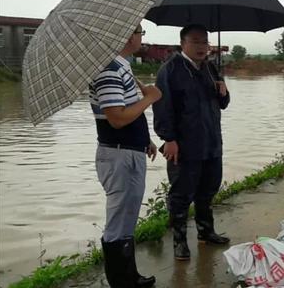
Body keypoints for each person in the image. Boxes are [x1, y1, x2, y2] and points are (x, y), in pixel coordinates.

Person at [89, 25, 160, 287]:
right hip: (119, 156)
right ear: (127, 34)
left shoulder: (122, 66)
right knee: (119, 220)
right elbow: (117, 118)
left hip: (129, 151)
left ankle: (129, 277)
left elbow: (128, 110)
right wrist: (150, 98)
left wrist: (146, 139)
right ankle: (122, 281)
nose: (142, 37)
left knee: (127, 216)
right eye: (140, 31)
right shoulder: (108, 70)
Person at [153, 24, 231, 261]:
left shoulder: (210, 68)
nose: (201, 47)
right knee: (181, 194)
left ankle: (206, 232)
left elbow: (223, 104)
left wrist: (224, 91)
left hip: (211, 142)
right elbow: (162, 107)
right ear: (183, 43)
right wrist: (169, 139)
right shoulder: (170, 70)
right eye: (195, 41)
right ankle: (179, 241)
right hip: (184, 146)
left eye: (205, 42)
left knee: (208, 189)